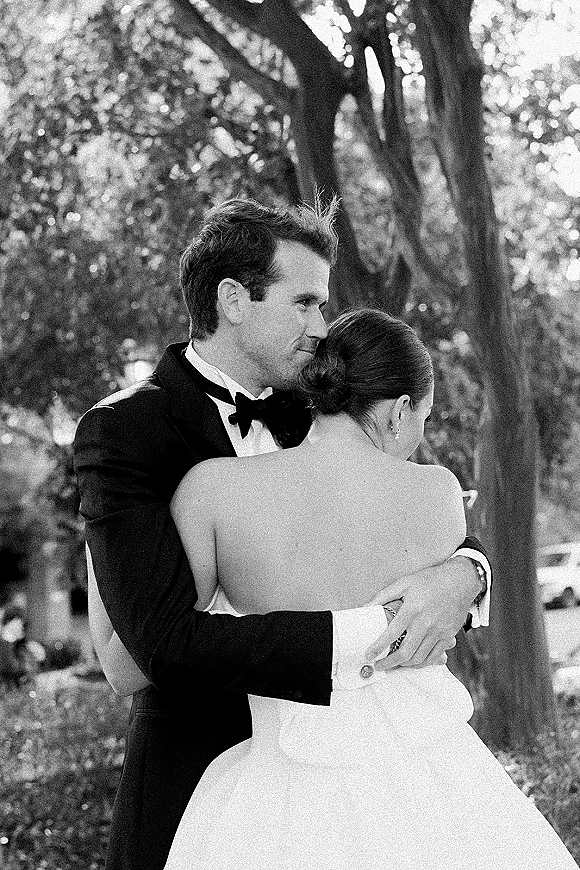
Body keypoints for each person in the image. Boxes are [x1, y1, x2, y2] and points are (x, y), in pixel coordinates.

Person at [73, 198, 491, 870]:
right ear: (233, 300)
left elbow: (414, 517)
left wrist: (468, 574)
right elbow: (149, 651)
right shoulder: (124, 432)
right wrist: (369, 627)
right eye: (304, 303)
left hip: (360, 786)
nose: (321, 328)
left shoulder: (322, 408)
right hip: (199, 777)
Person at [159, 308, 576, 869]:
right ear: (401, 411)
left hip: (281, 793)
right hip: (434, 786)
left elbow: (169, 638)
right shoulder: (436, 495)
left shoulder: (210, 494)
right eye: (423, 419)